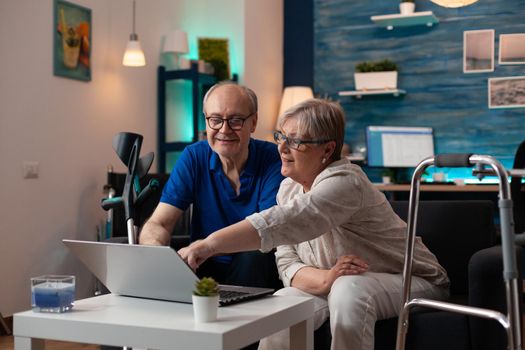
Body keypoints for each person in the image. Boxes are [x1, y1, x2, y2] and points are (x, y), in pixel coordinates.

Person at [179, 98, 449, 350]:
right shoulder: (288, 189)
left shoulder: (345, 182)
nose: (282, 148)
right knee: (282, 304)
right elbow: (286, 261)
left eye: (295, 142)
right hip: (336, 283)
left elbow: (286, 222)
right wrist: (327, 279)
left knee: (349, 289)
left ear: (328, 149)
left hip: (414, 282)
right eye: (281, 137)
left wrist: (208, 245)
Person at [139, 82, 284, 289]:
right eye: (215, 120)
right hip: (203, 268)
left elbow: (265, 228)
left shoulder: (274, 159)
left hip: (257, 270)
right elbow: (159, 223)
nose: (224, 130)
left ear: (253, 122)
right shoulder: (194, 157)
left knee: (255, 256)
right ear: (206, 122)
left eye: (235, 120)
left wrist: (207, 246)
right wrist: (156, 252)